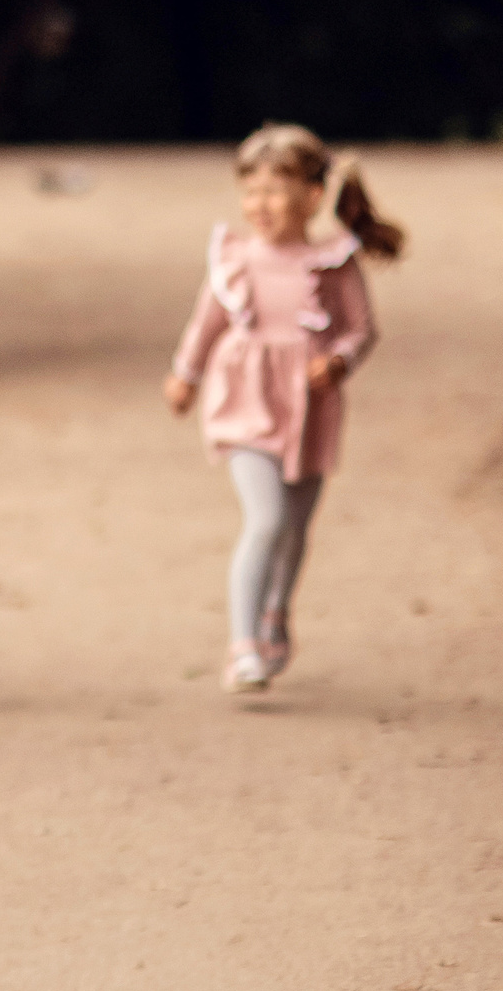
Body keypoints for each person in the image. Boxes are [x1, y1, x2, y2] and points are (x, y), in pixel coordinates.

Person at [164, 123, 403, 693]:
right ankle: (243, 645)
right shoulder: (234, 258)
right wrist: (185, 374)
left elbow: (362, 329)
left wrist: (338, 362)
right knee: (265, 519)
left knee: (294, 528)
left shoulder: (333, 261)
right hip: (244, 400)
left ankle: (277, 609)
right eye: (251, 192)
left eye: (274, 191)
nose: (260, 205)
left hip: (308, 408)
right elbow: (207, 322)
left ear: (312, 197)